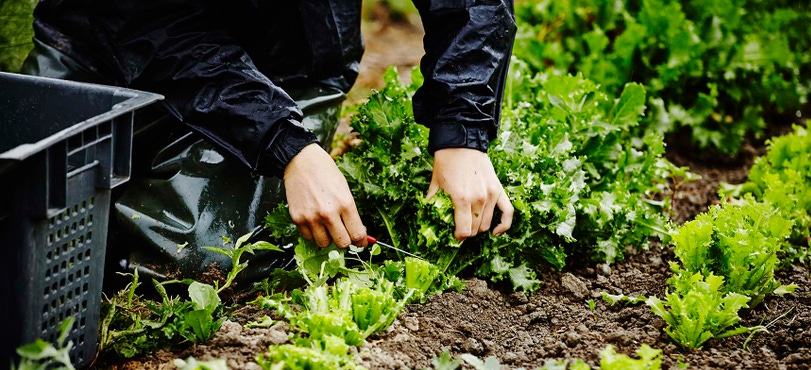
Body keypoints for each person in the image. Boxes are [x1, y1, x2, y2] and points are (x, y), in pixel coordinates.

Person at [23, 0, 516, 284]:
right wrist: (286, 144)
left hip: (290, 61)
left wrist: (462, 133)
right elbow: (147, 24)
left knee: (205, 256)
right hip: (106, 44)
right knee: (31, 216)